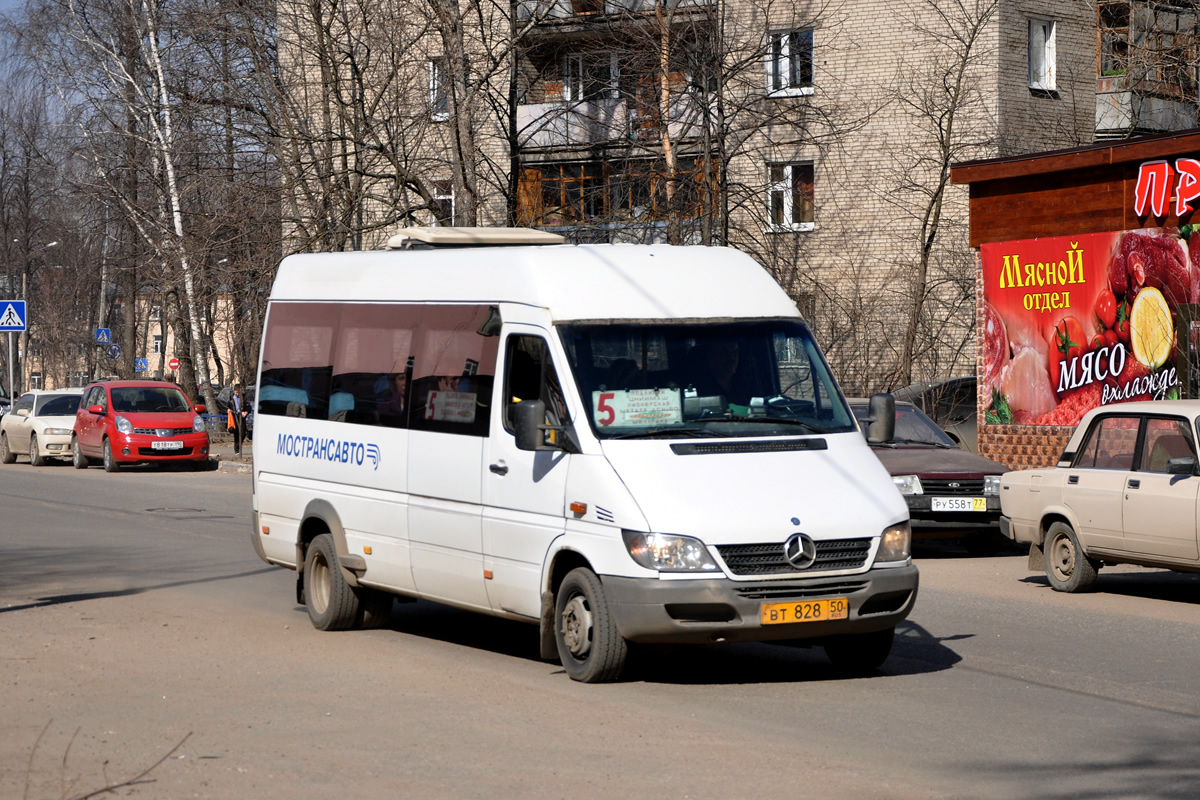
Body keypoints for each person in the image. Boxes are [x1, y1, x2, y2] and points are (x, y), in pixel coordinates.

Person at [232, 383, 248, 455]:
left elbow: (248, 406)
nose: (238, 394)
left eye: (239, 392)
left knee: (243, 433)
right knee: (237, 434)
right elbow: (230, 406)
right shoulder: (232, 398)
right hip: (236, 417)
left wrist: (246, 412)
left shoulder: (244, 398)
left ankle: (239, 446)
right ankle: (237, 449)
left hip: (242, 417)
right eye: (236, 392)